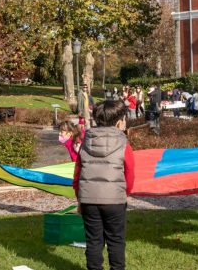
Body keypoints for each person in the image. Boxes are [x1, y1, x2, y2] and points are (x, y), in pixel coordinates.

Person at [73, 100, 135, 270]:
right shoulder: (124, 143)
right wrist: (125, 193)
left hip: (88, 199)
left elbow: (78, 172)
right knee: (116, 240)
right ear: (119, 121)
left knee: (93, 240)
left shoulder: (86, 141)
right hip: (115, 199)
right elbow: (129, 173)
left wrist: (80, 197)